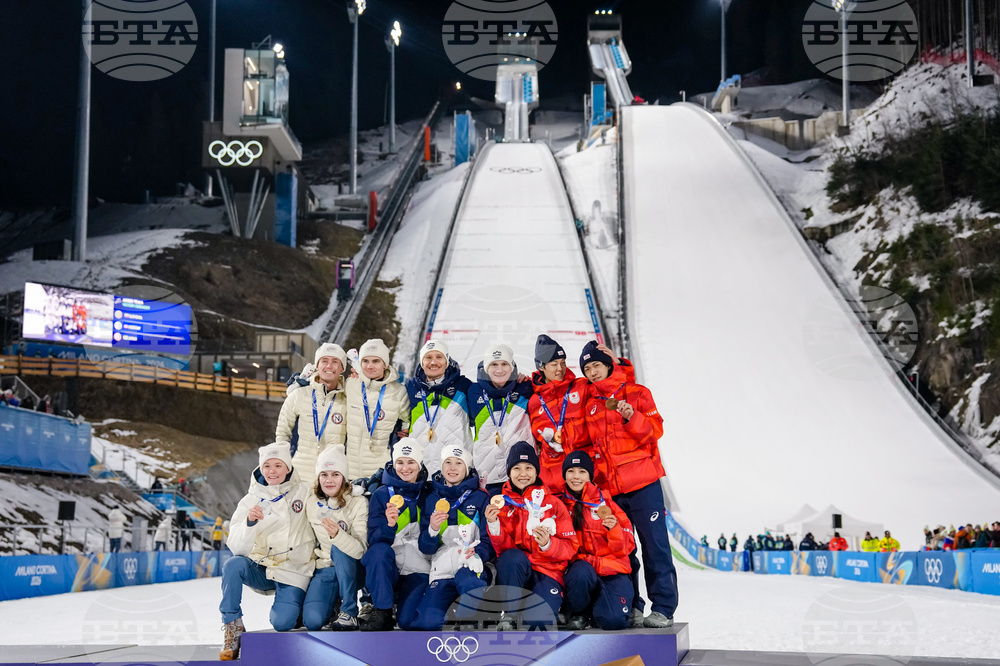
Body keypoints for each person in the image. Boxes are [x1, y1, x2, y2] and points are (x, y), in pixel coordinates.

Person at [579, 340, 677, 628]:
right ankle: (632, 604)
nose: (593, 372)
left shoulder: (637, 393)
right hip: (610, 489)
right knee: (621, 549)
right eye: (587, 368)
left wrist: (631, 416)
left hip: (643, 485)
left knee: (655, 547)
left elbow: (654, 431)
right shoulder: (591, 403)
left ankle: (663, 607)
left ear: (608, 364)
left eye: (596, 364)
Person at [219, 443, 315, 660]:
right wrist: (250, 523)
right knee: (233, 565)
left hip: (293, 569)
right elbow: (236, 547)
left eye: (278, 465)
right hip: (262, 568)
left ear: (288, 468)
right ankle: (232, 625)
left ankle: (299, 605)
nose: (272, 471)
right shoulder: (250, 500)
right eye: (267, 466)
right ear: (261, 469)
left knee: (283, 623)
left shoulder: (305, 490)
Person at [484, 442, 578, 631]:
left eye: (529, 468)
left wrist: (548, 545)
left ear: (536, 472)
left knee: (538, 622)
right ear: (509, 473)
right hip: (518, 572)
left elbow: (570, 547)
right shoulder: (503, 504)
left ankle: (534, 607)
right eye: (517, 468)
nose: (523, 473)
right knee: (510, 557)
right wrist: (493, 525)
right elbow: (503, 551)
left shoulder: (553, 503)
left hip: (547, 572)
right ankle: (510, 614)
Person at [527, 336, 630, 489]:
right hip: (554, 480)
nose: (560, 369)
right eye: (554, 364)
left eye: (563, 363)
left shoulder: (582, 386)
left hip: (588, 472)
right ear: (541, 367)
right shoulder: (534, 401)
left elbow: (616, 389)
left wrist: (618, 365)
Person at [411, 444, 493, 631]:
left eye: (458, 463)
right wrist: (432, 529)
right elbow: (426, 548)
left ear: (467, 468)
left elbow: (488, 539)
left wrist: (477, 555)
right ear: (441, 466)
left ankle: (475, 611)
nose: (452, 467)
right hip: (442, 572)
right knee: (428, 622)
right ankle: (456, 610)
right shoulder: (430, 498)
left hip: (471, 568)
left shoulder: (479, 497)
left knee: (468, 583)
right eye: (448, 462)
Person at [556, 451, 635, 630]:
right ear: (564, 475)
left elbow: (626, 548)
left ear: (590, 476)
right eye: (571, 471)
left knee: (613, 621)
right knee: (581, 572)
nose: (576, 477)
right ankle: (579, 611)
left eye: (582, 471)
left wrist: (614, 530)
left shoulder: (608, 505)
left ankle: (595, 610)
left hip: (611, 570)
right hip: (581, 572)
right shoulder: (557, 506)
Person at [360, 440, 432, 631]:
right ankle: (382, 610)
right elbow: (374, 540)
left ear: (420, 464)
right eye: (400, 462)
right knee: (377, 552)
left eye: (411, 462)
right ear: (393, 464)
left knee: (408, 621)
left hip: (419, 568)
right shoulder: (381, 494)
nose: (405, 468)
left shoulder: (429, 492)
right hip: (390, 568)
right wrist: (389, 525)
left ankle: (403, 606)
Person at [303, 446, 368, 631]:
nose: (329, 480)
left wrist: (338, 535)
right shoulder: (311, 501)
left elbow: (361, 550)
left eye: (335, 474)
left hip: (354, 569)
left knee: (339, 547)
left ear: (344, 477)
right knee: (312, 621)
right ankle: (333, 607)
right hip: (327, 568)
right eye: (324, 474)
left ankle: (350, 611)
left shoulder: (358, 502)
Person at [276, 343, 349, 478]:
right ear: (317, 365)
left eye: (335, 362)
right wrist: (284, 464)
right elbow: (282, 434)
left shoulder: (348, 399)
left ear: (342, 368)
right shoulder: (298, 395)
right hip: (300, 472)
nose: (329, 366)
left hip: (333, 474)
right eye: (324, 361)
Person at [469, 343, 534, 496]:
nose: (499, 369)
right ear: (485, 368)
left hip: (521, 475)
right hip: (486, 474)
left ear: (512, 367)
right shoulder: (473, 391)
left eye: (505, 364)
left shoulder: (526, 387)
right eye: (494, 364)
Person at [345, 339, 410, 485]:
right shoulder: (351, 384)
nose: (369, 366)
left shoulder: (398, 392)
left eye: (375, 361)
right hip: (349, 471)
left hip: (380, 473)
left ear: (385, 364)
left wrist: (406, 432)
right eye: (365, 361)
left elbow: (408, 422)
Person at [405, 340, 472, 477]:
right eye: (428, 358)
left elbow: (494, 393)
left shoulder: (463, 386)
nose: (433, 362)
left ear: (446, 361)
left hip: (454, 471)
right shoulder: (411, 388)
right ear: (422, 362)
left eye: (439, 357)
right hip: (420, 470)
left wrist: (520, 382)